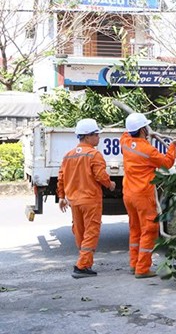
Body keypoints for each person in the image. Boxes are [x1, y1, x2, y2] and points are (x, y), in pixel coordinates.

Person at [121, 112, 176, 279]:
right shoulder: (148, 150)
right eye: (145, 127)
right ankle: (142, 269)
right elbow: (167, 163)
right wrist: (173, 145)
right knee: (149, 230)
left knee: (135, 229)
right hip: (143, 195)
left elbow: (126, 133)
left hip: (128, 194)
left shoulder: (125, 143)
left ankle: (134, 264)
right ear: (142, 130)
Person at [57, 118, 116, 279]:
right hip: (90, 200)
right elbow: (100, 175)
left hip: (74, 201)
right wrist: (110, 184)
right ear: (88, 136)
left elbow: (61, 177)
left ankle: (84, 261)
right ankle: (82, 266)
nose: (98, 137)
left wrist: (61, 197)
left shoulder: (68, 156)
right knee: (91, 232)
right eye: (96, 134)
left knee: (80, 232)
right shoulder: (94, 154)